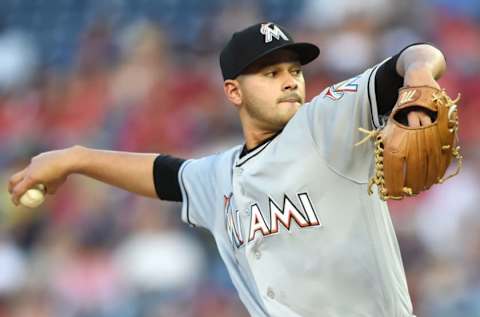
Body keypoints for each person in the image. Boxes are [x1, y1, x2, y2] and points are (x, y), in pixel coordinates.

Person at [8, 22, 447, 317]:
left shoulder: (326, 121)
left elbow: (416, 54)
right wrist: (76, 157)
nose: (291, 80)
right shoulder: (218, 176)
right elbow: (165, 175)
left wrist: (421, 76)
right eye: (271, 72)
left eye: (294, 69)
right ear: (233, 91)